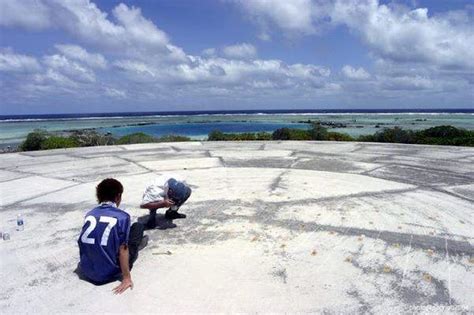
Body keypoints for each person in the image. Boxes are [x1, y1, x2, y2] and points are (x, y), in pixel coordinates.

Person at [77, 178, 146, 294]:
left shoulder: (90, 214)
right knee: (137, 227)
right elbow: (123, 250)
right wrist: (126, 278)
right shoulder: (123, 217)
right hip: (109, 273)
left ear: (98, 196)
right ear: (118, 197)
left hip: (87, 270)